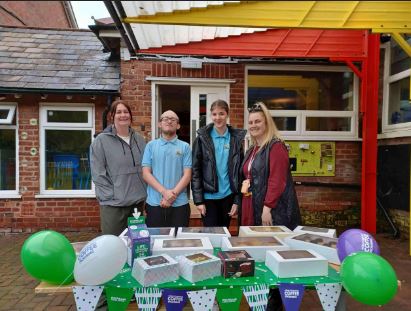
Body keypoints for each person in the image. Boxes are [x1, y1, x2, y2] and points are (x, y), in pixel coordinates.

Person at [90, 99, 147, 236]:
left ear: (130, 116)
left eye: (126, 112)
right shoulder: (101, 141)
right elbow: (98, 174)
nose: (123, 115)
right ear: (112, 116)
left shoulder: (139, 140)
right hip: (114, 205)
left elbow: (145, 168)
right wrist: (112, 195)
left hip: (137, 203)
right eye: (119, 112)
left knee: (137, 244)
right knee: (113, 244)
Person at [192, 99, 246, 227]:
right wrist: (199, 201)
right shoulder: (202, 139)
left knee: (225, 234)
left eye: (221, 113)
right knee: (211, 234)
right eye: (215, 114)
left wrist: (237, 201)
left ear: (227, 114)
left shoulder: (235, 139)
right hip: (209, 198)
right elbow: (195, 170)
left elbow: (240, 172)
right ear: (211, 115)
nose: (218, 118)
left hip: (228, 196)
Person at [142, 110, 192, 227]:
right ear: (159, 124)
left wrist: (171, 196)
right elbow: (146, 173)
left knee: (179, 242)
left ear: (178, 125)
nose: (169, 121)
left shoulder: (185, 147)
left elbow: (187, 175)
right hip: (155, 204)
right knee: (155, 242)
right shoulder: (150, 146)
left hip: (179, 205)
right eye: (165, 119)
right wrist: (165, 193)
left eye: (173, 119)